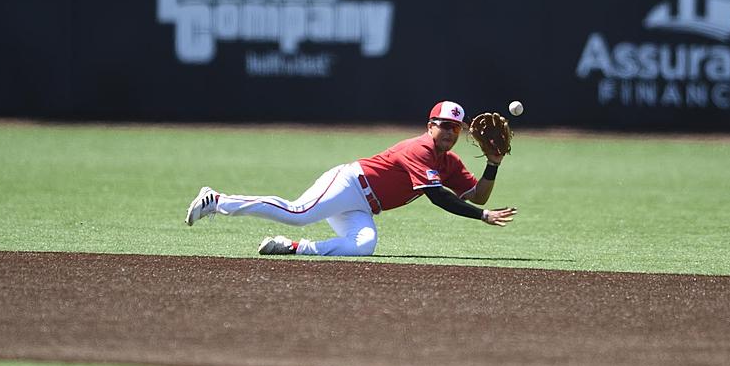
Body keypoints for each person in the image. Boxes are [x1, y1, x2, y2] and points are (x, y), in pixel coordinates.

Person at [184, 101, 517, 256]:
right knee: (297, 213)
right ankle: (217, 200)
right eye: (443, 125)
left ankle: (293, 248)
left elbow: (477, 195)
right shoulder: (419, 149)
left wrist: (493, 164)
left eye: (455, 128)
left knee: (363, 246)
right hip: (349, 183)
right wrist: (482, 217)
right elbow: (439, 197)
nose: (449, 132)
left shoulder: (450, 161)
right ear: (430, 126)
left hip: (364, 206)